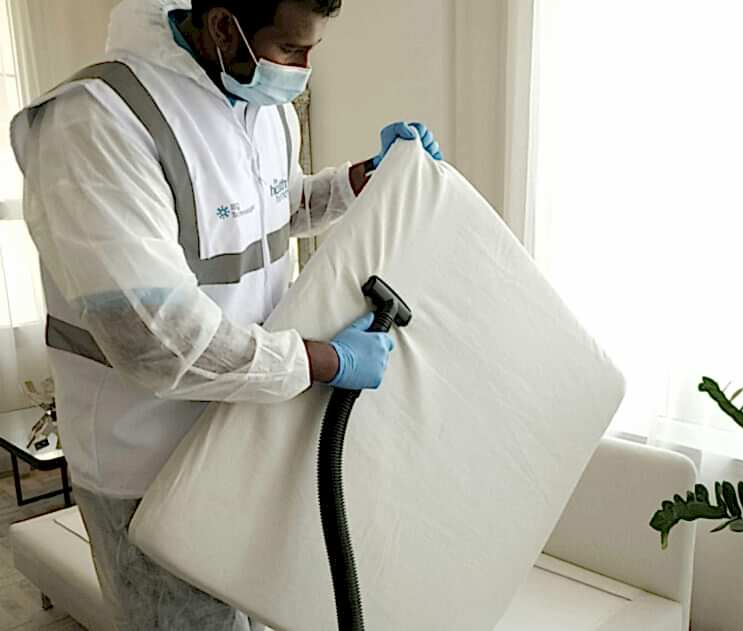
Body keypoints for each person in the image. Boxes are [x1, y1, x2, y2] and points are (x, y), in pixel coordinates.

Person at [10, 0, 443, 628]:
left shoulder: (262, 107)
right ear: (222, 26)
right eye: (291, 49)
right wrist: (321, 361)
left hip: (251, 433)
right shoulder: (98, 121)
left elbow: (276, 210)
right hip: (147, 462)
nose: (304, 68)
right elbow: (155, 340)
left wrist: (359, 181)